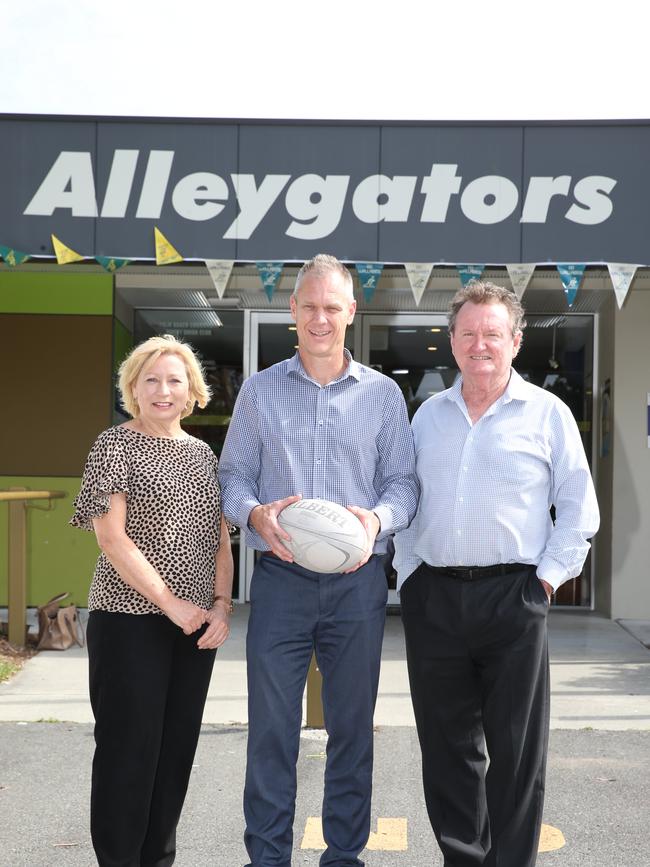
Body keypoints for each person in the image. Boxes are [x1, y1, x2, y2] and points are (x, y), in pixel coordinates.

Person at [219, 254, 419, 867]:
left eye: (333, 307)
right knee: (271, 732)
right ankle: (268, 856)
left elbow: (404, 488)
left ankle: (344, 856)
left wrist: (375, 521)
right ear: (292, 311)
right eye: (309, 306)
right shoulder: (259, 391)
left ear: (351, 313)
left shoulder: (384, 397)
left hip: (358, 588)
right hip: (280, 582)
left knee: (352, 731)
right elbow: (232, 479)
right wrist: (255, 515)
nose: (321, 318)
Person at [394, 280, 600, 867]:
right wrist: (409, 574)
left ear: (515, 340)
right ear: (452, 343)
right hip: (434, 596)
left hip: (515, 597)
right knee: (447, 748)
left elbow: (579, 509)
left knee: (516, 752)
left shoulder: (548, 414)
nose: (479, 344)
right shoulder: (428, 416)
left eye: (492, 333)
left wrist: (545, 581)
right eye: (467, 333)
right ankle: (462, 858)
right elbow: (408, 501)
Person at [70, 334, 233, 867]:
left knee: (175, 752)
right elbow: (111, 538)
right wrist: (173, 604)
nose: (163, 390)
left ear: (192, 392)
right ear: (133, 388)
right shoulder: (113, 446)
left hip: (194, 627)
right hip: (128, 622)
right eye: (152, 380)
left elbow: (216, 539)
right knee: (128, 753)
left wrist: (220, 606)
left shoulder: (201, 453)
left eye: (175, 380)